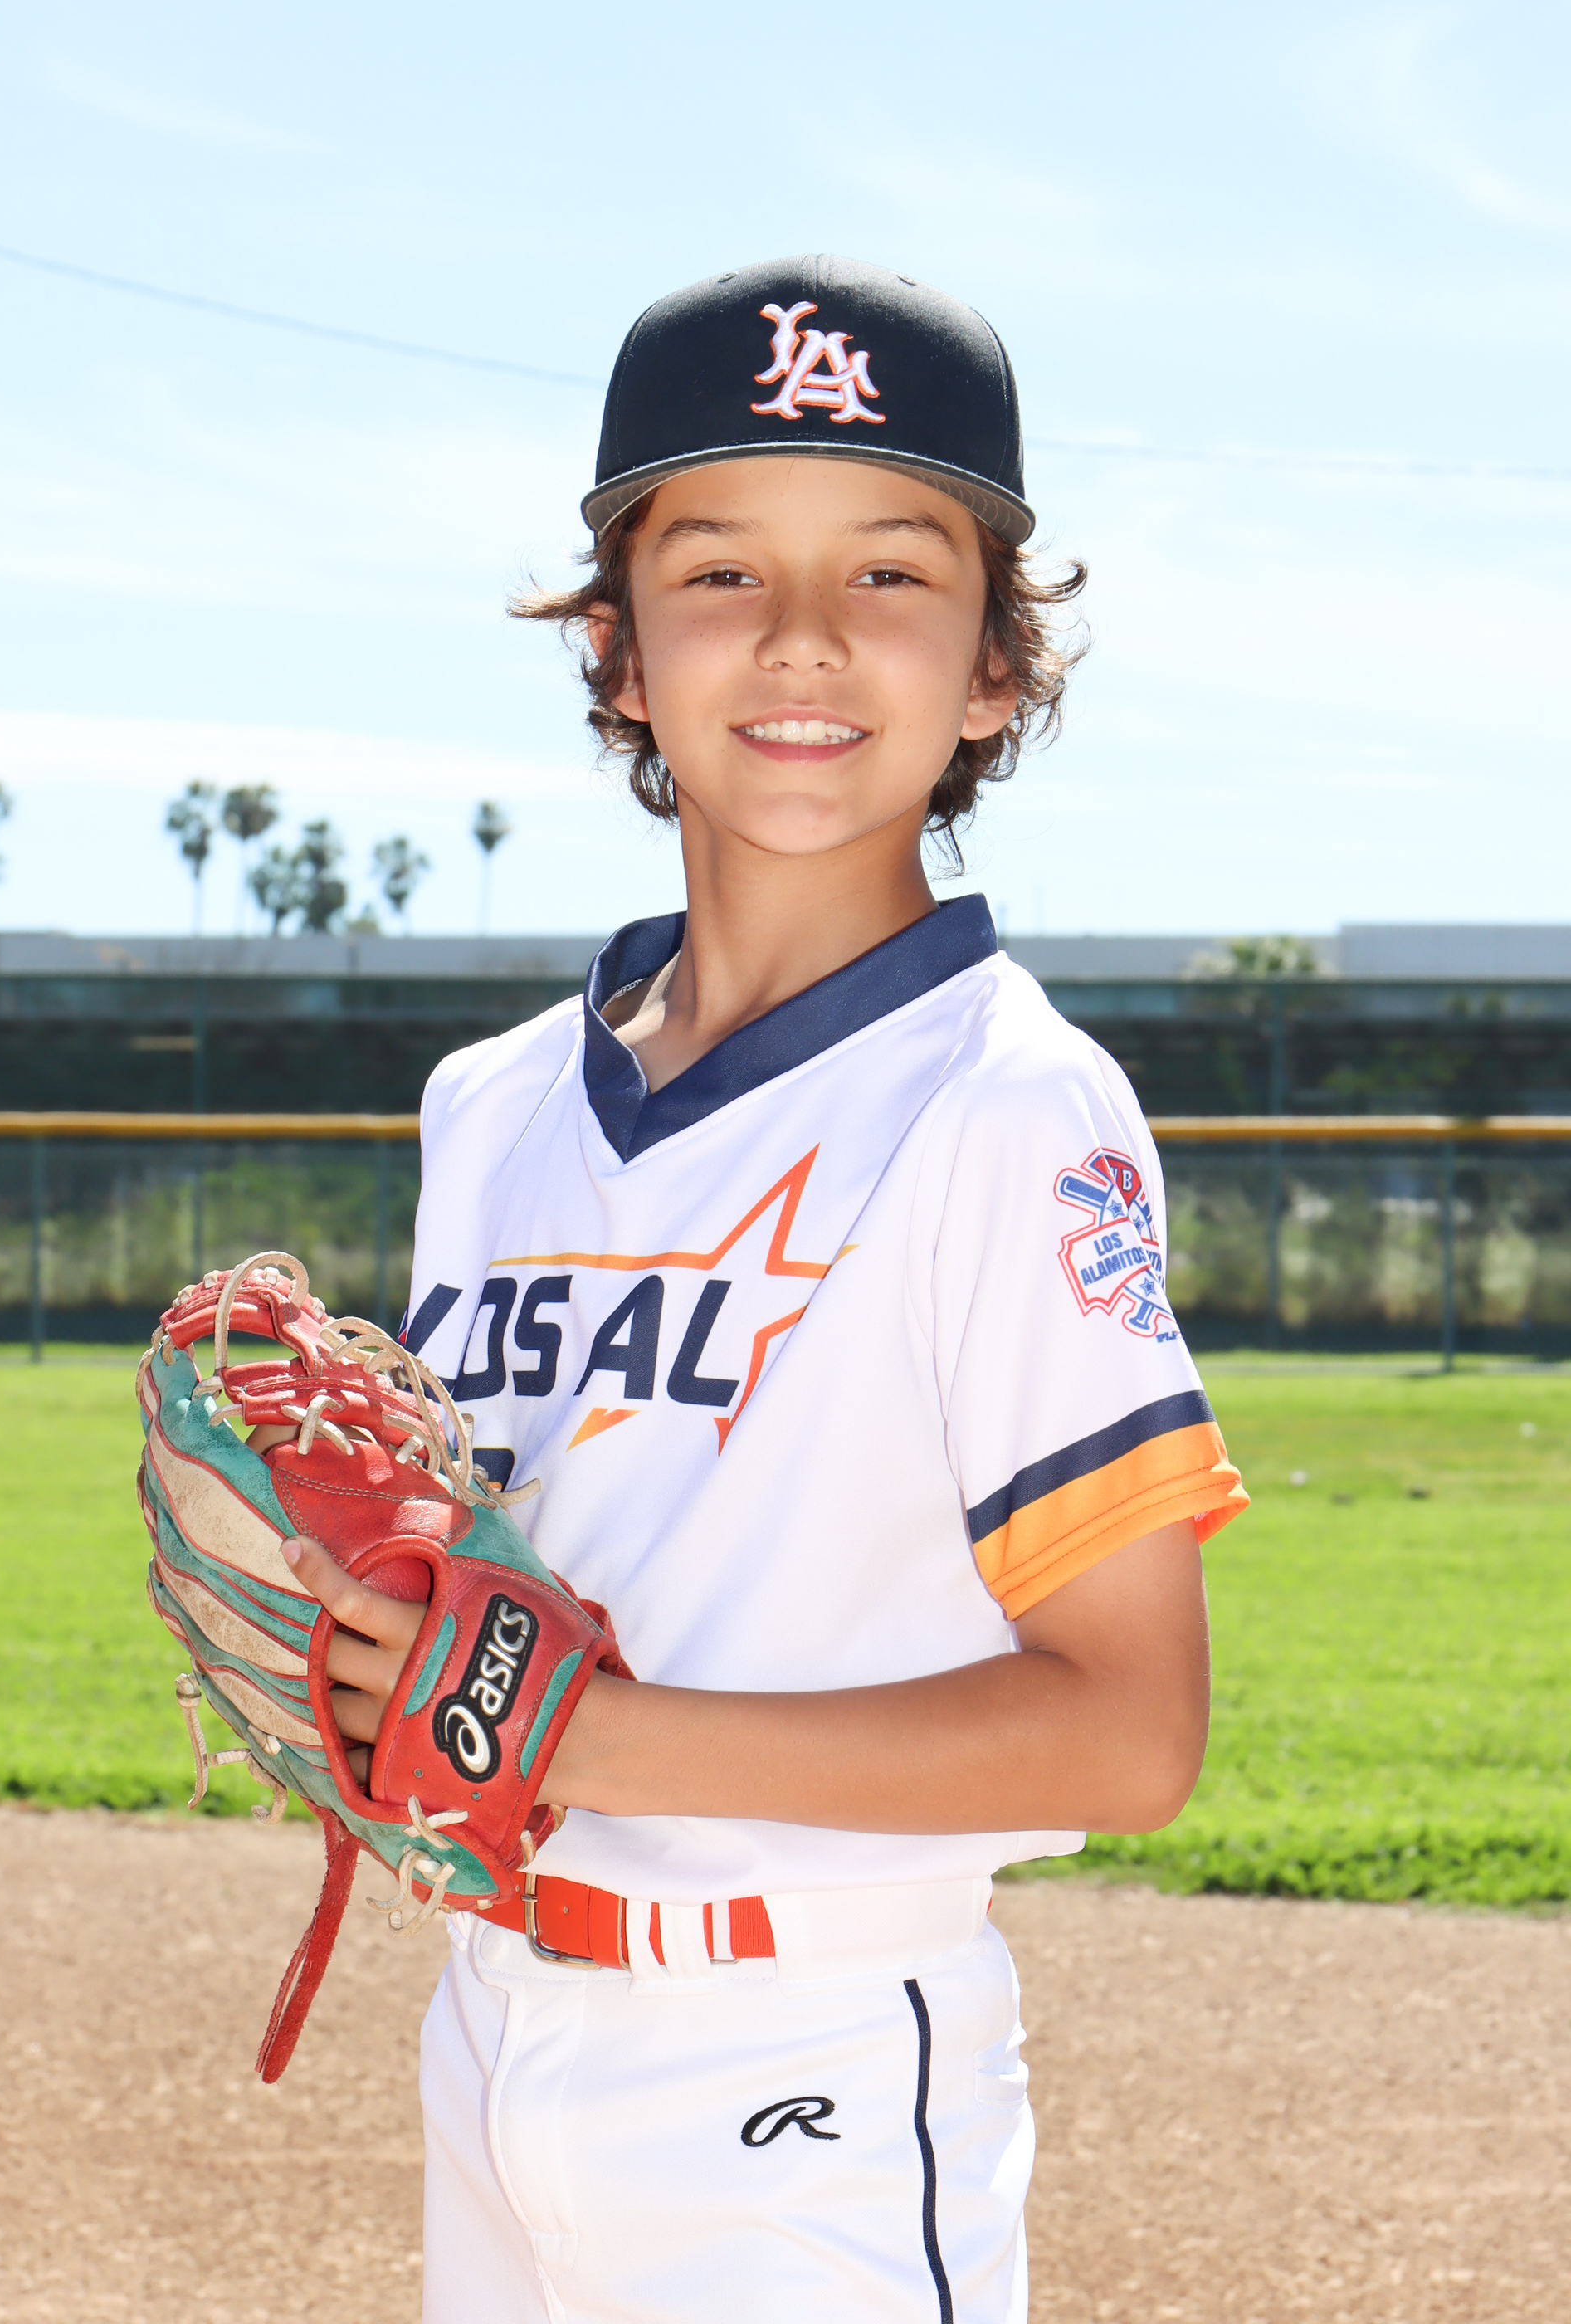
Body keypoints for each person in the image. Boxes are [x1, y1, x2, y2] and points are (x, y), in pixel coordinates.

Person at [281, 256, 1247, 2323]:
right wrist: (373, 1641)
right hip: (496, 2019)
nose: (803, 636)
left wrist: (590, 1736)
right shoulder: (492, 1105)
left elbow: (1126, 1730)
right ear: (617, 648)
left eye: (890, 573)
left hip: (801, 2066)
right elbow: (521, 1603)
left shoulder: (1006, 1104)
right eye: (718, 571)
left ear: (994, 665)